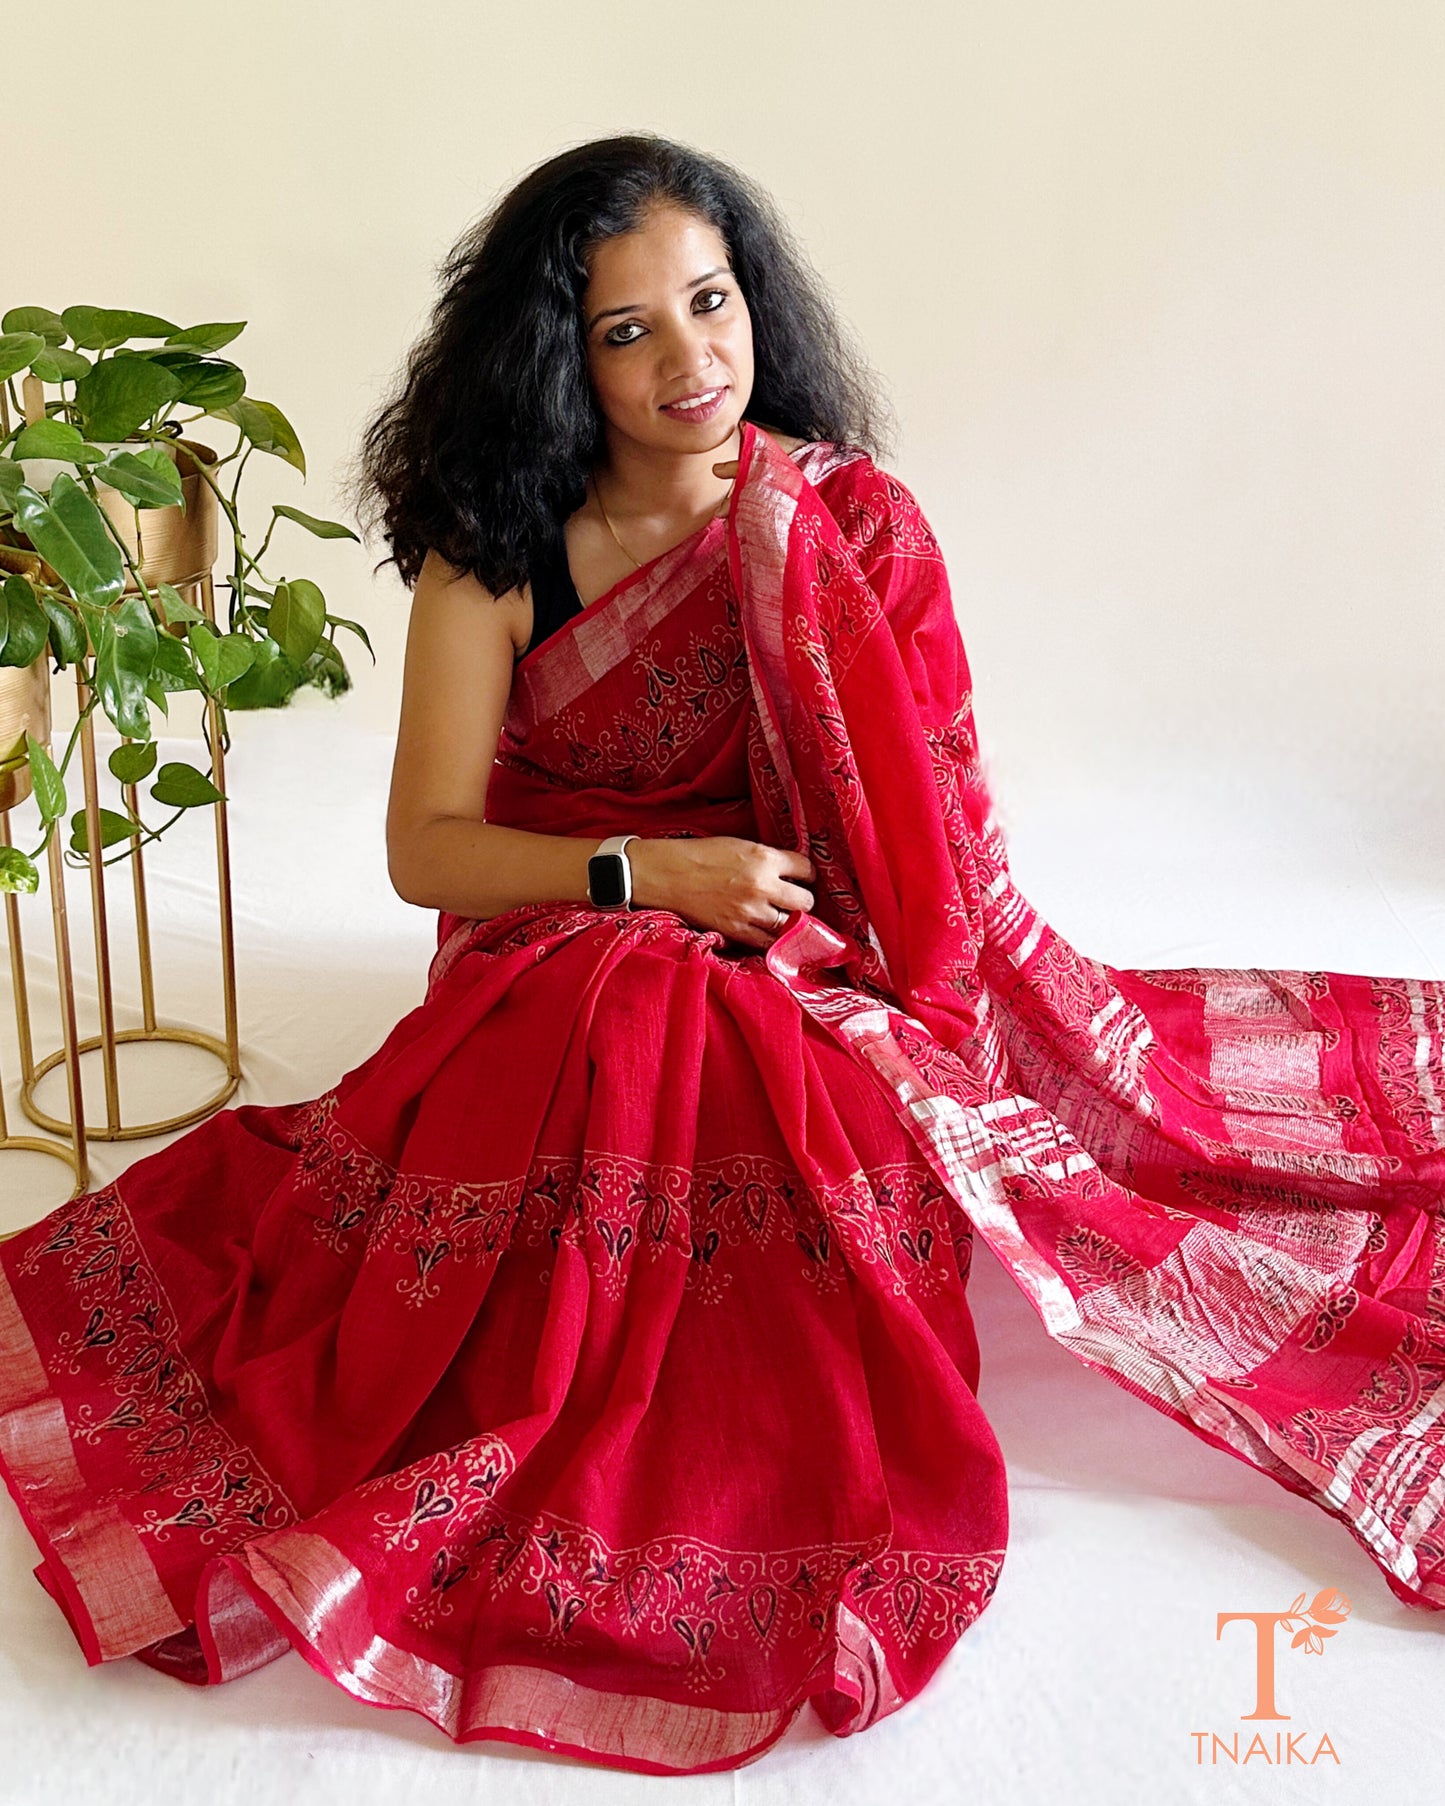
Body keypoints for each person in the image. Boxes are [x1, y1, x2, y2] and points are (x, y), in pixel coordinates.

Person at [1, 133, 1443, 1779]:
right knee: (629, 1006)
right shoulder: (496, 550)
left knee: (740, 1054)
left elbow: (932, 859)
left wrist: (781, 933)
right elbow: (428, 852)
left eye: (710, 301)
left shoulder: (842, 527)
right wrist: (644, 876)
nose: (692, 358)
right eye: (628, 331)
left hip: (804, 942)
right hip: (553, 926)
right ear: (563, 356)